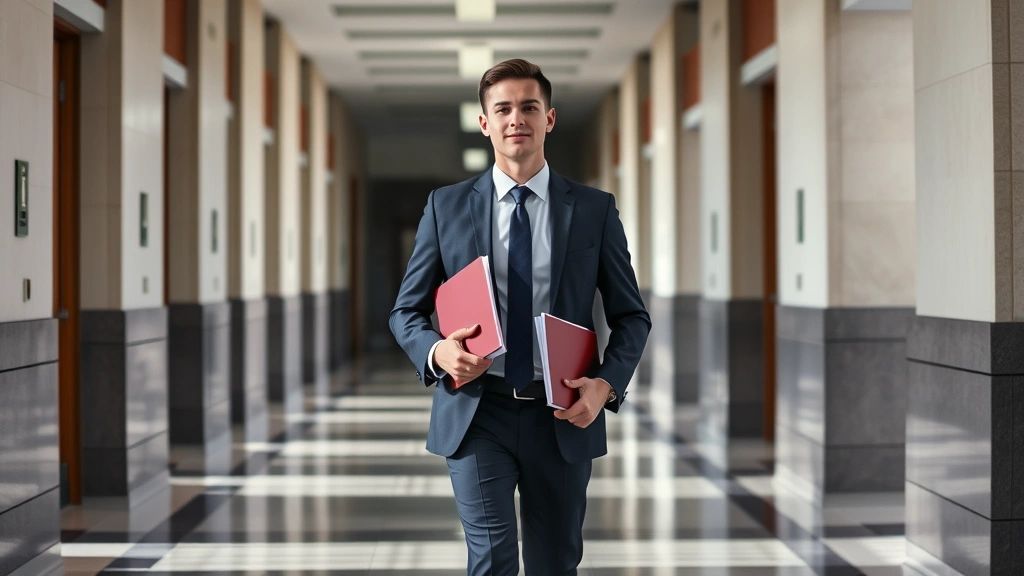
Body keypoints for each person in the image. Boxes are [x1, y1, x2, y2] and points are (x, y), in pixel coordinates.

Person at [389, 59, 650, 576]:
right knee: (491, 558)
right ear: (484, 122)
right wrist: (439, 352)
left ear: (549, 118)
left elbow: (631, 316)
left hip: (561, 411)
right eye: (502, 108)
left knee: (555, 562)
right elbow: (406, 311)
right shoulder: (447, 207)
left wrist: (606, 386)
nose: (517, 119)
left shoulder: (594, 210)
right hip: (477, 411)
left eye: (529, 107)